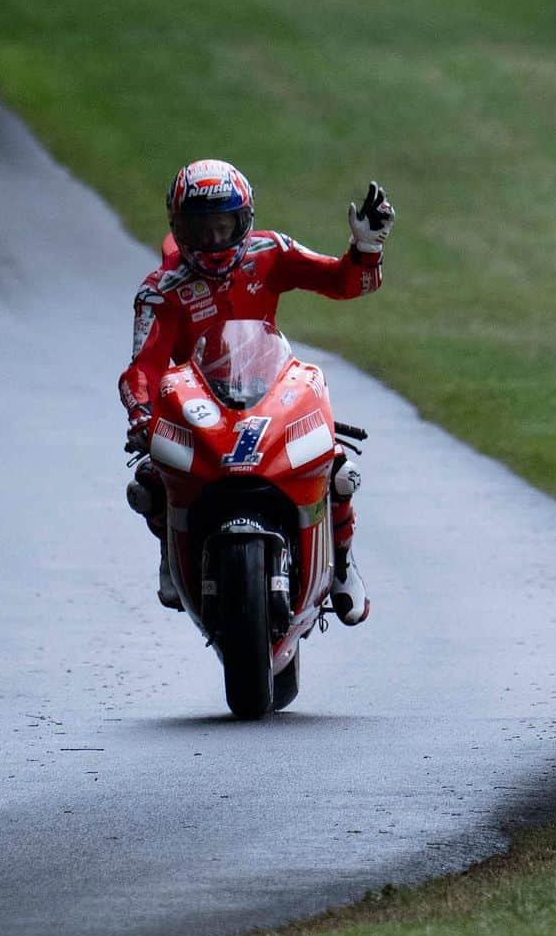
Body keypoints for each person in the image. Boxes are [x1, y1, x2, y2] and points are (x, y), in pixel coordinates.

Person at [119, 159, 395, 623]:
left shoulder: (270, 252)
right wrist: (142, 416)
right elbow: (141, 369)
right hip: (199, 406)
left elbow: (345, 282)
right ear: (178, 228)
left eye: (222, 226)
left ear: (243, 222)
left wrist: (365, 246)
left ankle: (343, 564)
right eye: (199, 228)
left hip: (266, 389)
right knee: (149, 478)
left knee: (337, 466)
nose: (211, 241)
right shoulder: (160, 290)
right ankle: (171, 554)